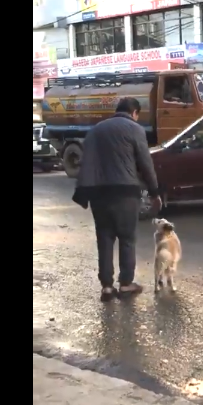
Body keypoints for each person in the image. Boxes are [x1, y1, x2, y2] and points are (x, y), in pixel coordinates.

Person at [72, 97, 162, 301]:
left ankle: (106, 286)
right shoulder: (134, 129)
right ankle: (126, 284)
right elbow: (146, 163)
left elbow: (86, 162)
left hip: (98, 194)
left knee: (104, 238)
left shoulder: (95, 130)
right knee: (127, 238)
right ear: (134, 113)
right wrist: (155, 192)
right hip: (125, 193)